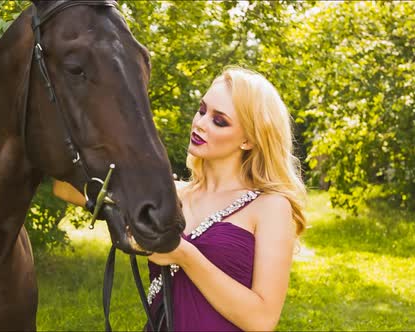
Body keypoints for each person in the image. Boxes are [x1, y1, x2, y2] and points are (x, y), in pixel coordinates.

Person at [53, 66, 306, 331]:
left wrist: (185, 255)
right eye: (202, 110)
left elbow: (262, 320)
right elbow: (64, 188)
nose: (200, 124)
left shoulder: (270, 206)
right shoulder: (167, 194)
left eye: (219, 121)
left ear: (249, 140)